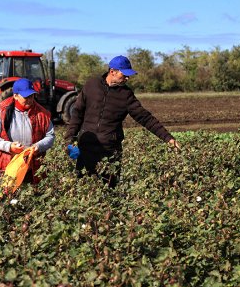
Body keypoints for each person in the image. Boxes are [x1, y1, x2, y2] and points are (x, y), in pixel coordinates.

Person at [65, 55, 180, 188]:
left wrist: (167, 138)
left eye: (128, 75)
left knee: (109, 190)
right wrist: (69, 139)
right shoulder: (91, 85)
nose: (127, 78)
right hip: (86, 148)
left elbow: (145, 118)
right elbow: (77, 113)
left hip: (109, 151)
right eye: (124, 74)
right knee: (83, 188)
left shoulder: (126, 95)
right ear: (112, 71)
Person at [0, 78, 55, 183]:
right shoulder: (2, 111)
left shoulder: (43, 113)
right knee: (9, 195)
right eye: (26, 97)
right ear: (15, 96)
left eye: (31, 96)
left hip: (32, 166)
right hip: (8, 165)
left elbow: (50, 136)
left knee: (31, 196)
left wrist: (38, 146)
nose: (30, 99)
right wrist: (9, 146)